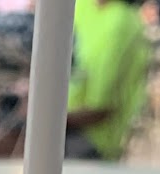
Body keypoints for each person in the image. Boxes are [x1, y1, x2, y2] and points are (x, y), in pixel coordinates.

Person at [65, 0, 151, 162]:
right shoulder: (81, 7)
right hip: (64, 124)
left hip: (91, 139)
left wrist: (44, 118)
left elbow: (100, 111)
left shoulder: (121, 23)